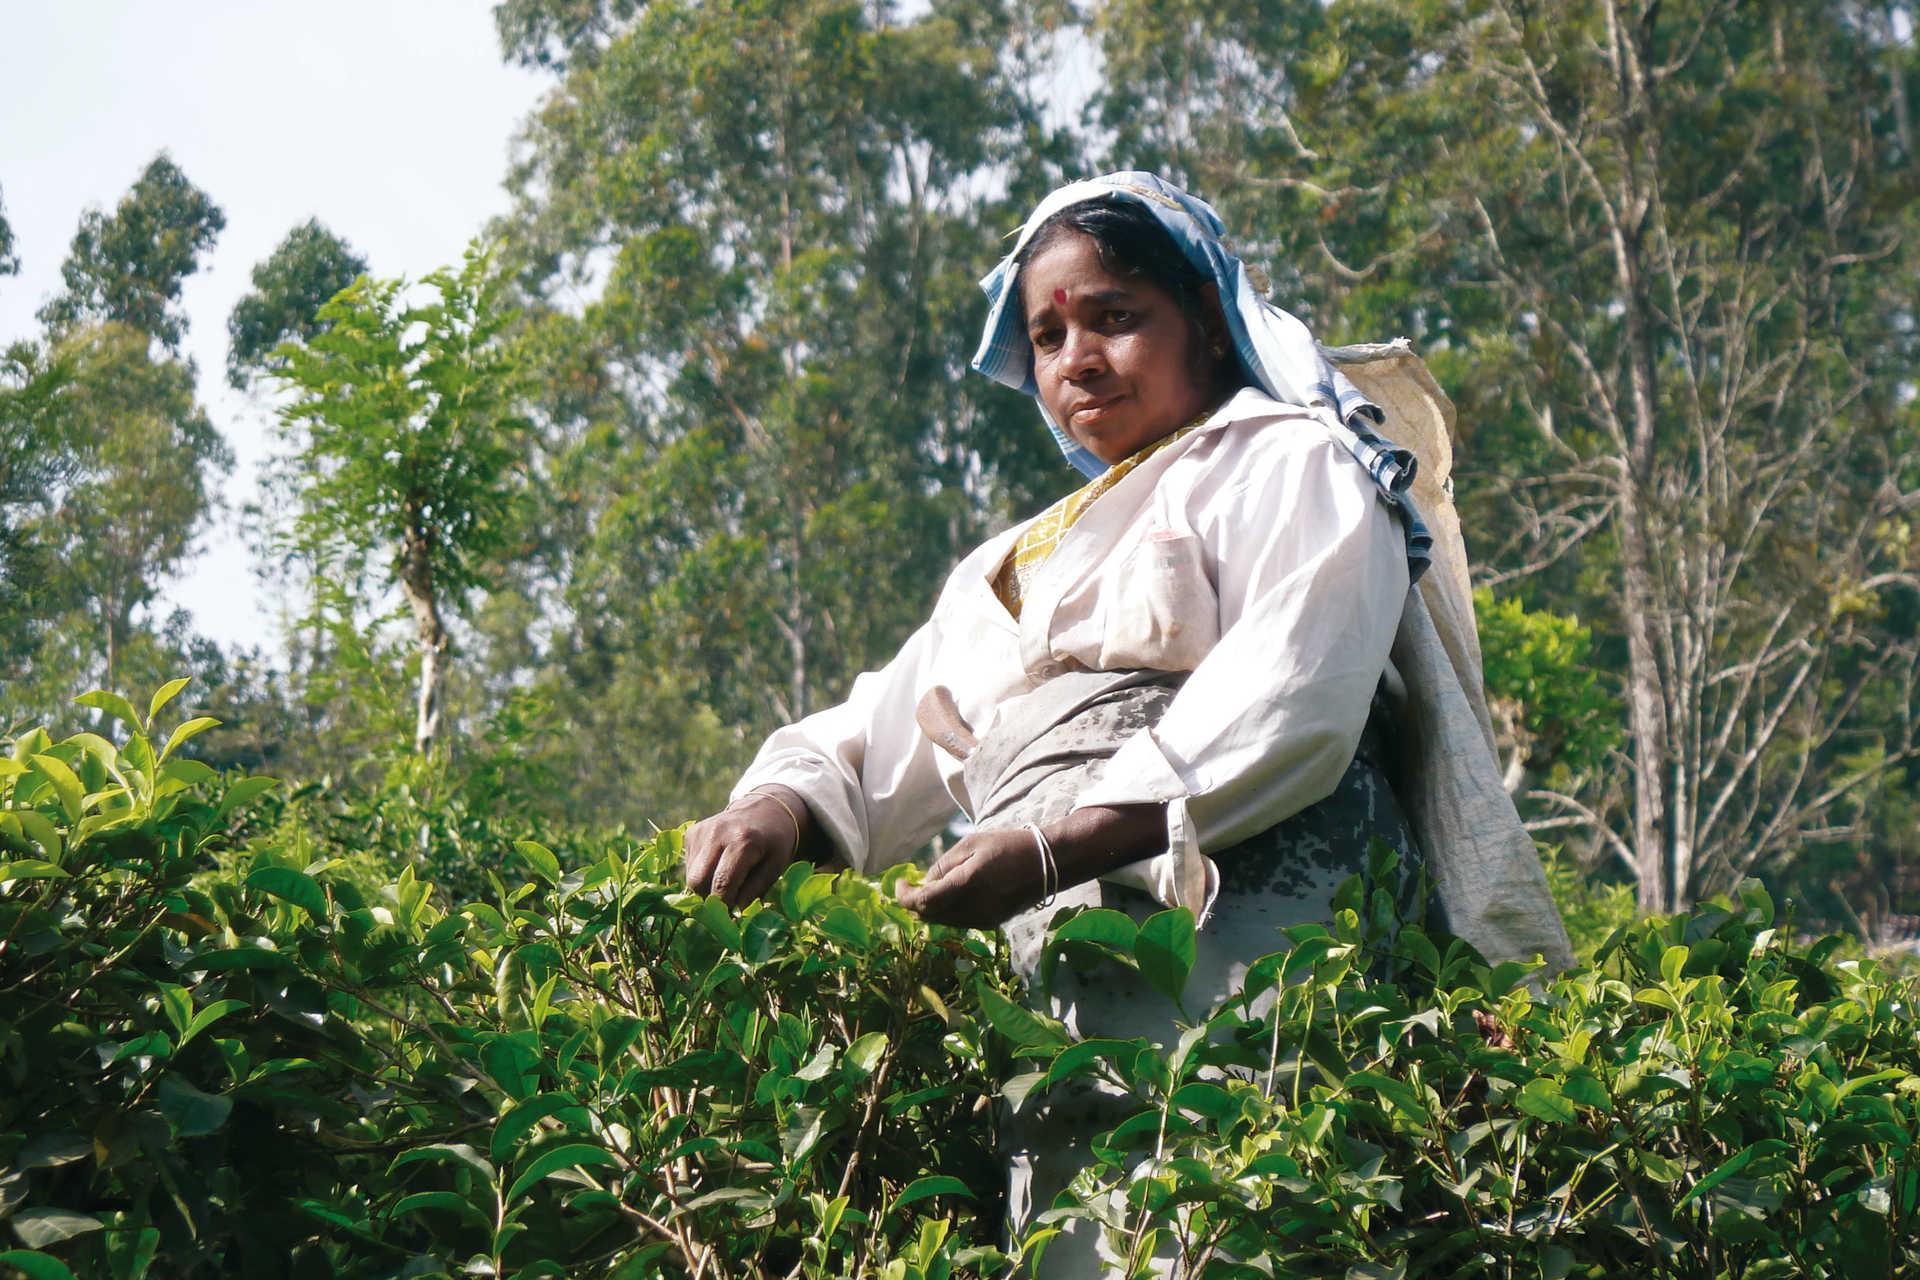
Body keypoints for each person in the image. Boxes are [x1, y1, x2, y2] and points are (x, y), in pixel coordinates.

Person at [684, 171, 1570, 1272]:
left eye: (1113, 317)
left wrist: (1061, 841)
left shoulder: (1290, 458)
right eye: (1049, 336)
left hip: (1259, 951)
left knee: (1258, 1211)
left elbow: (1295, 695)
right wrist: (777, 802)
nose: (1078, 359)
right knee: (1090, 1240)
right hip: (1067, 1014)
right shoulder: (1008, 563)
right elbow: (883, 724)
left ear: (1202, 317)